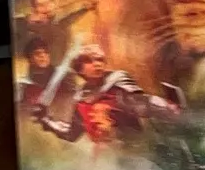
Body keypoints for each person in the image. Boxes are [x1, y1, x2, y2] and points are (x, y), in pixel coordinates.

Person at [36, 44, 179, 143]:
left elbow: (144, 102)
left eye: (99, 59)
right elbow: (71, 133)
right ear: (79, 68)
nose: (97, 63)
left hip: (136, 147)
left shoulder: (116, 80)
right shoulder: (81, 98)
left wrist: (169, 108)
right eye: (89, 61)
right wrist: (47, 121)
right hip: (110, 156)